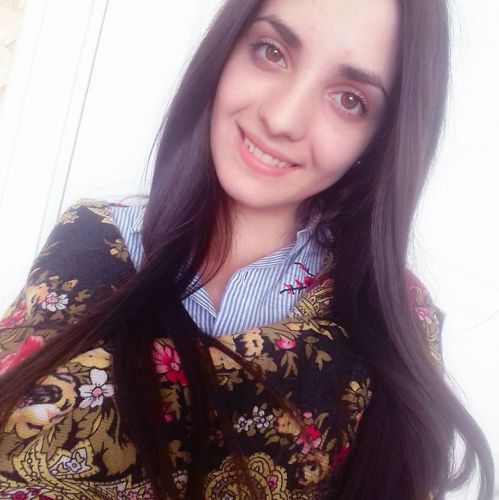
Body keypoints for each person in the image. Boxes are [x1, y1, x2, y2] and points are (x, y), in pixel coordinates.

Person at [0, 0, 494, 498]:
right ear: (227, 48)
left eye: (349, 99)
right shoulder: (89, 241)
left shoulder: (394, 329)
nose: (282, 118)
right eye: (271, 52)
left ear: (381, 138)